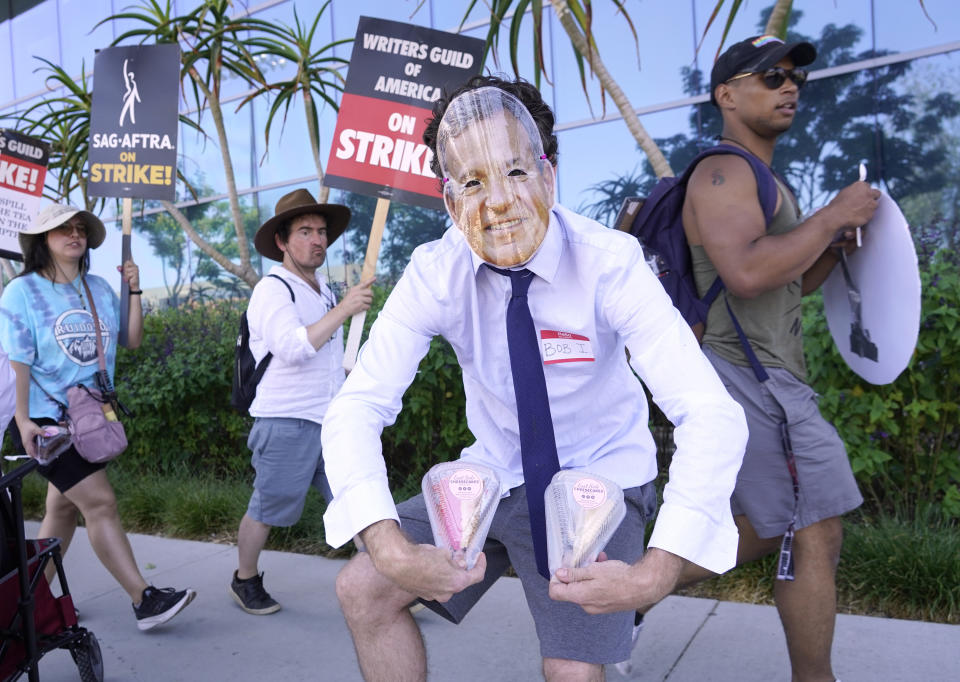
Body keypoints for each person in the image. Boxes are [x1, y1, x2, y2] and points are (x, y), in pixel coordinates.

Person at [321, 75, 748, 681]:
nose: (495, 201)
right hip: (495, 474)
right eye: (472, 181)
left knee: (570, 669)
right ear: (450, 198)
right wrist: (387, 544)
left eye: (516, 173)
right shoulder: (435, 272)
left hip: (599, 475)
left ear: (549, 175)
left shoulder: (610, 263)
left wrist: (658, 569)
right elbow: (358, 404)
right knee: (363, 589)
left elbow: (708, 411)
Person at [588, 36, 881, 681]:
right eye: (771, 75)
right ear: (727, 94)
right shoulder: (726, 172)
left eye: (794, 76)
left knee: (765, 525)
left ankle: (618, 593)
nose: (790, 86)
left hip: (761, 373)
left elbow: (781, 280)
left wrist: (829, 247)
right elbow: (745, 273)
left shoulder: (762, 180)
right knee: (815, 527)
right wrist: (832, 215)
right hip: (748, 374)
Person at [0, 203, 197, 631]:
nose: (74, 235)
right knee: (101, 502)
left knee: (63, 512)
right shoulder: (22, 291)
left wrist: (136, 290)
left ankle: (26, 606)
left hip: (88, 417)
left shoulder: (99, 288)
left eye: (80, 229)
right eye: (62, 230)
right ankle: (143, 599)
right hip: (44, 422)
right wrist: (22, 421)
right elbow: (19, 362)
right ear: (41, 241)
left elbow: (131, 339)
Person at [229, 188, 374, 615]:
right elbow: (293, 348)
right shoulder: (274, 290)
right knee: (267, 507)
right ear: (282, 241)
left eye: (322, 232)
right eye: (305, 231)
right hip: (286, 421)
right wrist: (345, 310)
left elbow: (332, 362)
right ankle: (244, 579)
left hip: (331, 421)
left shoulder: (324, 292)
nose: (317, 240)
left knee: (356, 500)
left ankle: (391, 579)